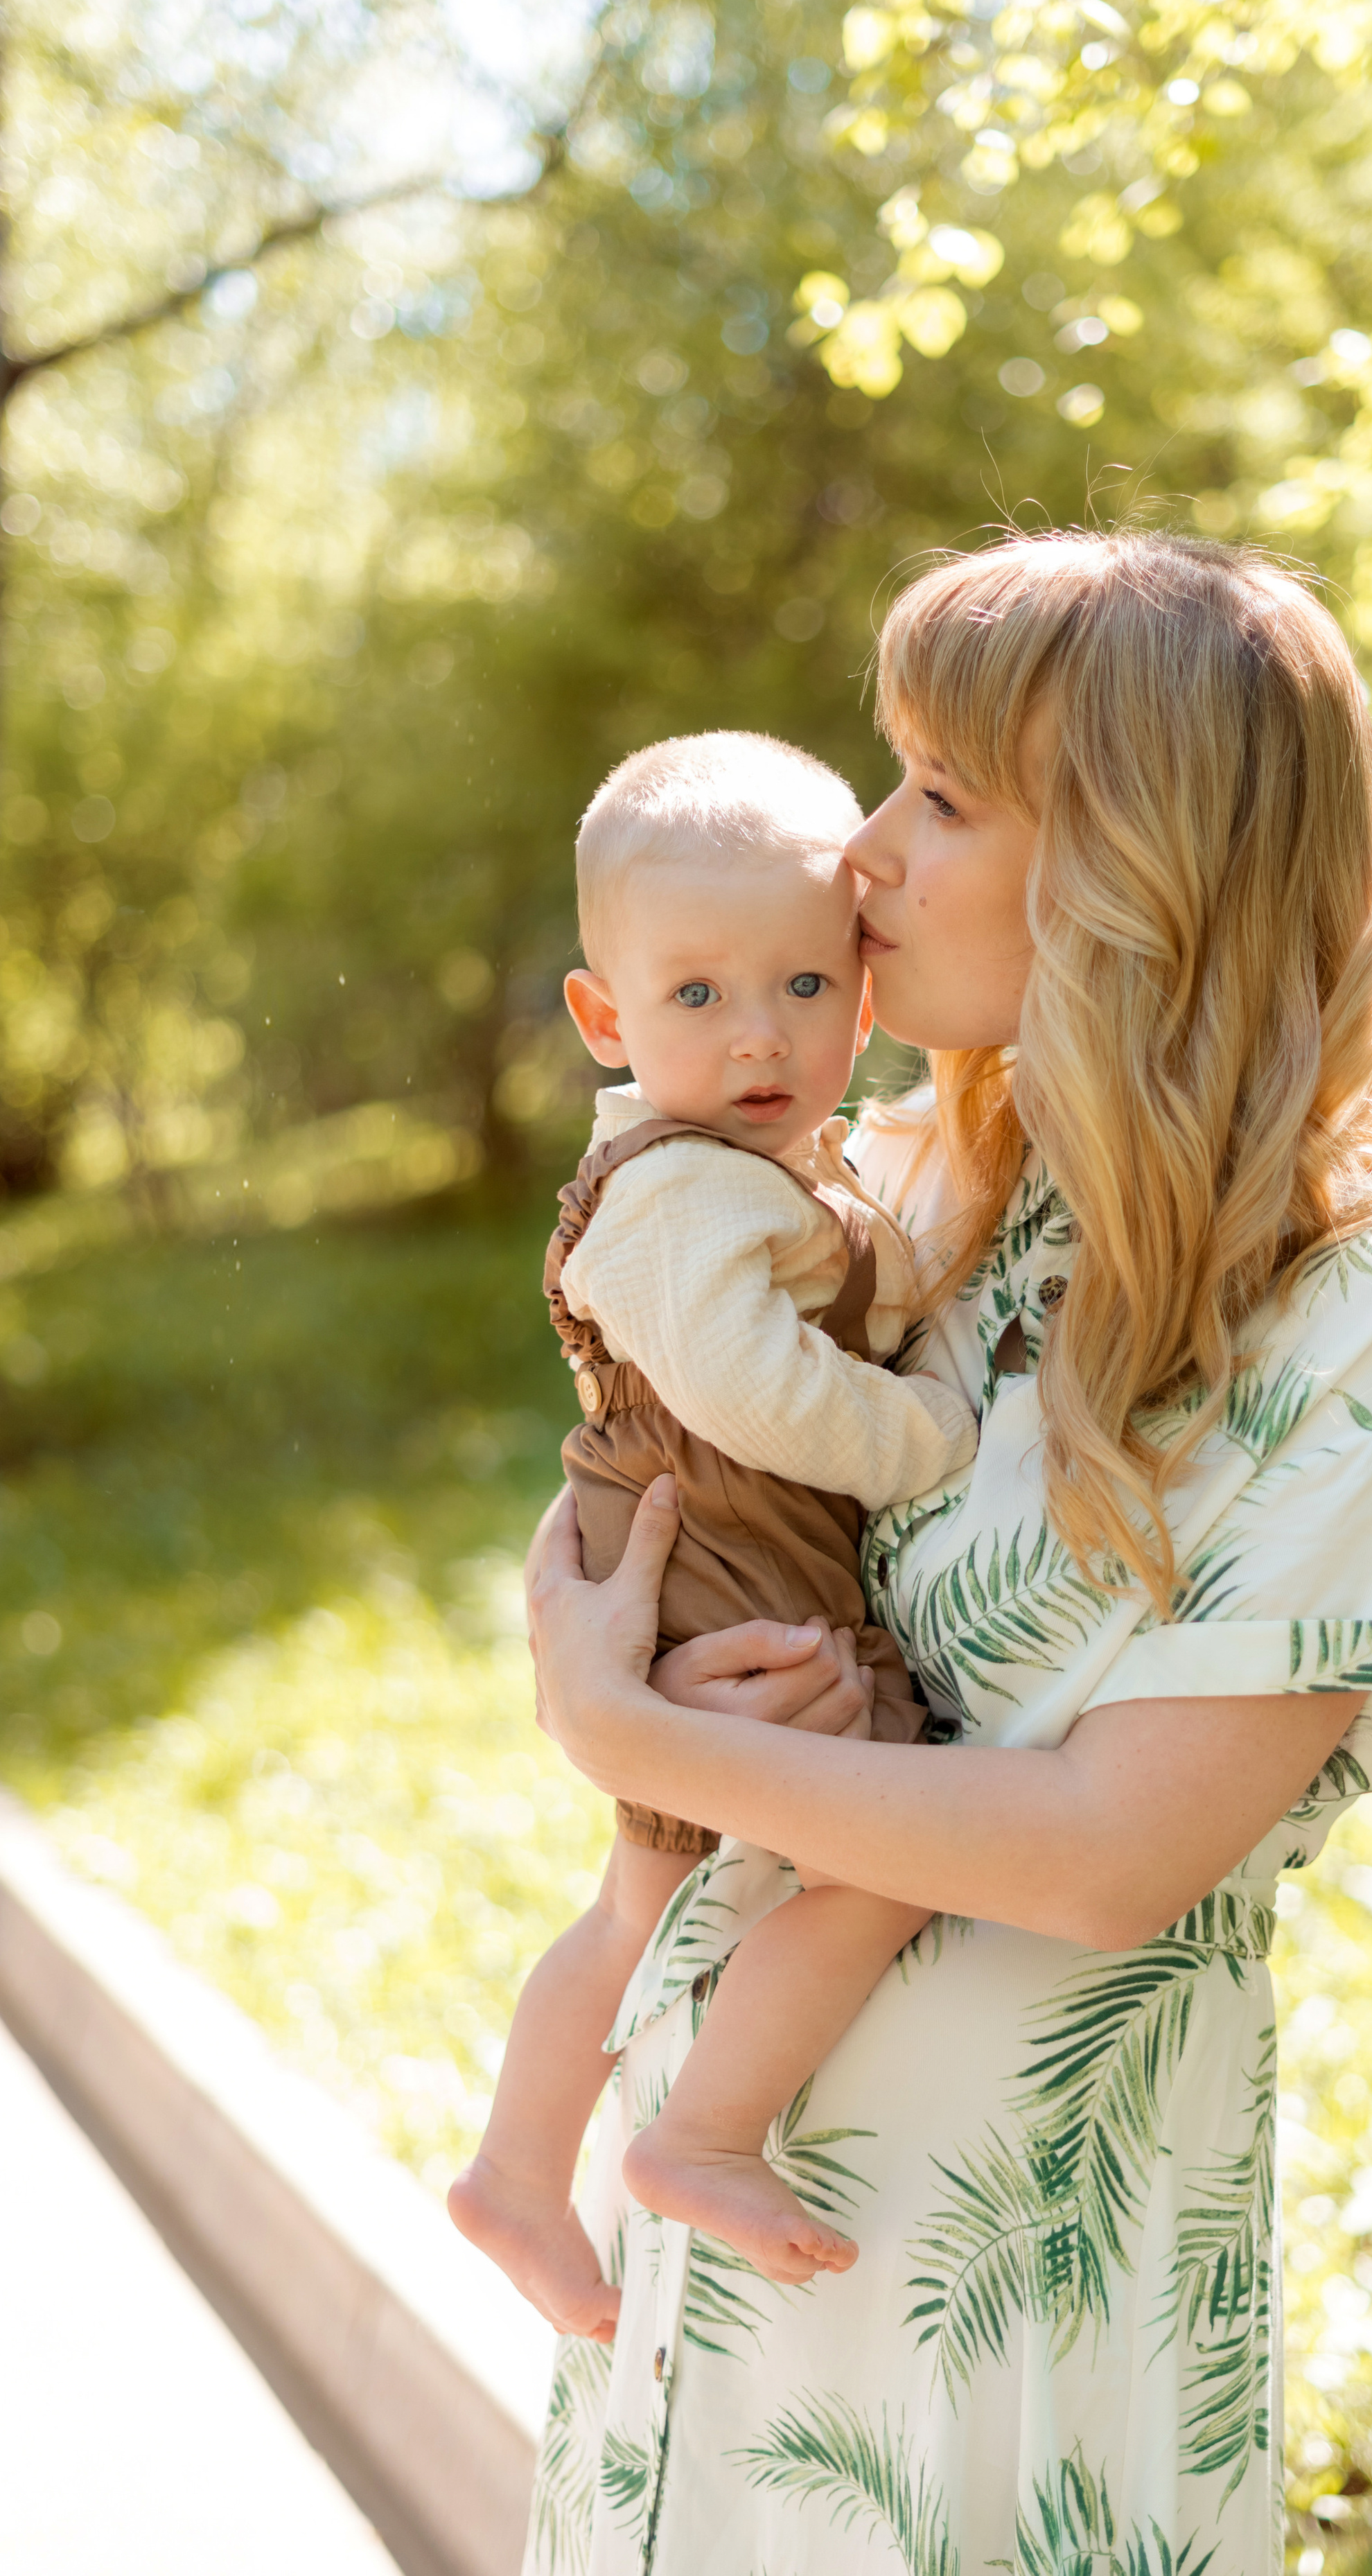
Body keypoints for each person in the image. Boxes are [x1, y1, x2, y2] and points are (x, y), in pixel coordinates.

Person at [519, 531, 1372, 2576]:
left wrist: (628, 1728)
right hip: (714, 2244)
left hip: (1007, 2285)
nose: (863, 855)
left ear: (1136, 866)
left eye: (939, 796)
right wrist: (658, 1669)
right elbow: (656, 1473)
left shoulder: (1366, 1303)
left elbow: (1101, 1848)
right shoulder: (921, 1177)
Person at [449, 733, 978, 2333]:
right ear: (606, 1018)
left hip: (686, 1561)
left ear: (862, 995)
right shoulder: (688, 1192)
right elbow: (751, 1392)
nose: (760, 1036)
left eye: (804, 990)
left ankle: (518, 2179)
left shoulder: (753, 1164)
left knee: (631, 1903)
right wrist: (930, 1443)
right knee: (886, 1852)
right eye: (696, 999)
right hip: (728, 1567)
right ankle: (697, 2134)